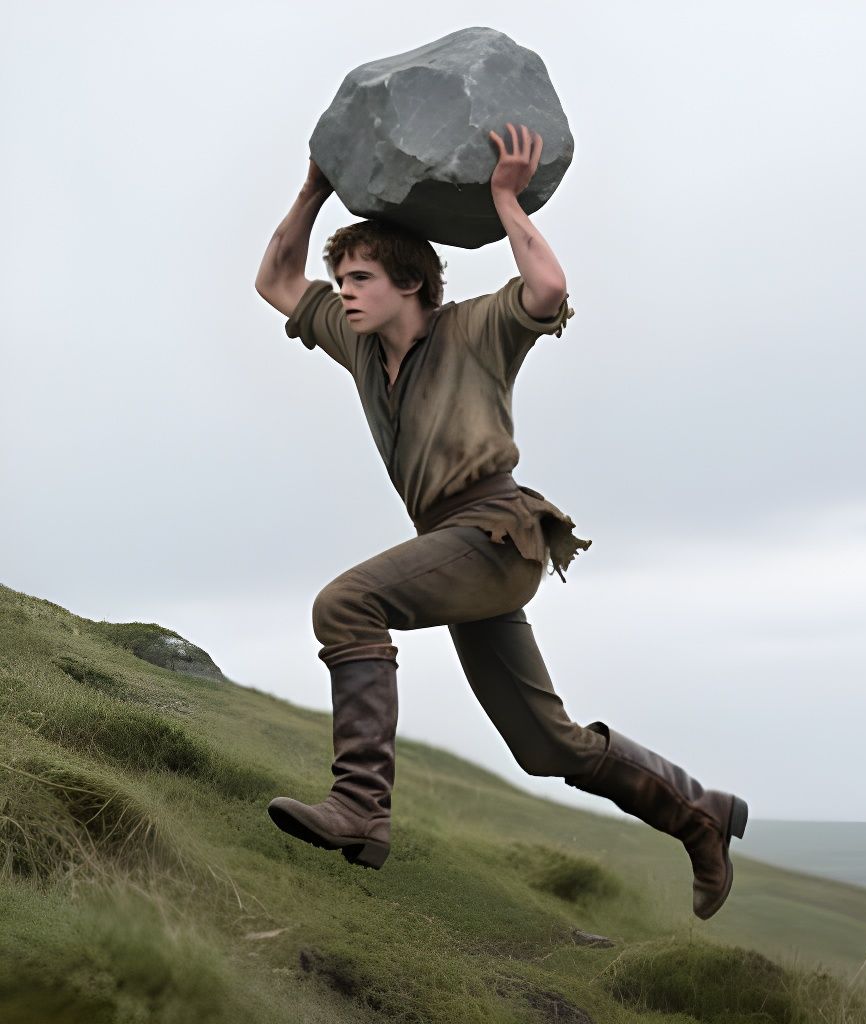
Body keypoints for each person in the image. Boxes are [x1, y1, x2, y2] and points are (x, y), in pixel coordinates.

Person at [254, 123, 747, 919]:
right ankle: (702, 816)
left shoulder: (475, 329)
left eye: (361, 276)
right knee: (543, 743)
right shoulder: (356, 343)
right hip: (449, 549)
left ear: (410, 284)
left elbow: (547, 289)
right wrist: (313, 189)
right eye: (340, 277)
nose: (343, 290)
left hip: (496, 534)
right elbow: (275, 279)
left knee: (345, 605)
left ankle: (360, 811)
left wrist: (506, 200)